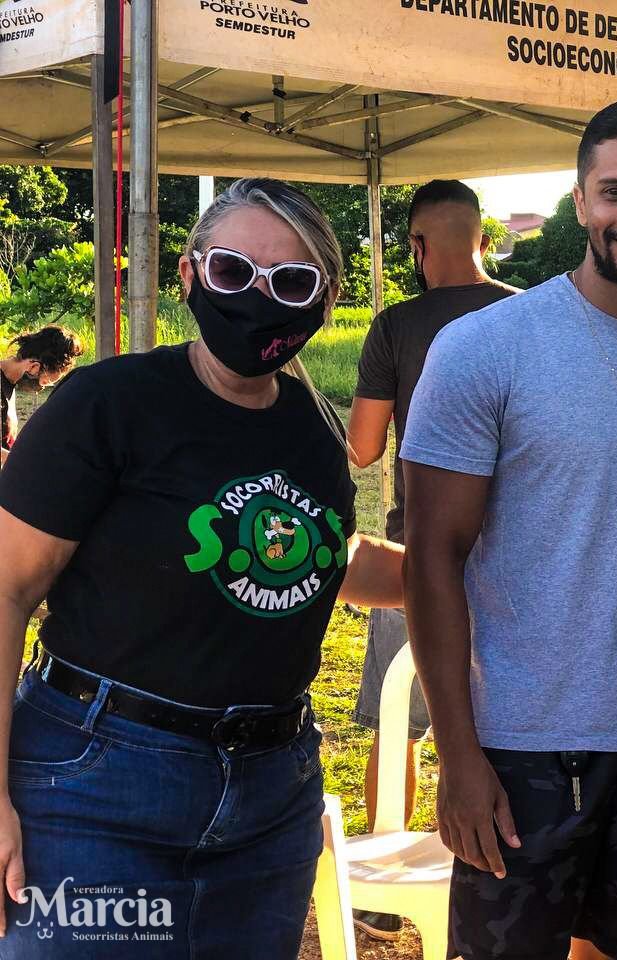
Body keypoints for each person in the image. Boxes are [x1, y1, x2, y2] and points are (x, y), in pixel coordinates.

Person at [0, 178, 405, 956]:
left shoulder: (310, 426)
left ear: (323, 302)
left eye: (291, 282)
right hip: (96, 786)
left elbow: (320, 555)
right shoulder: (110, 403)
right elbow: (8, 584)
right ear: (187, 274)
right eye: (231, 272)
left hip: (271, 795)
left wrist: (455, 575)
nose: (257, 299)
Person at [401, 99, 617, 960]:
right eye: (616, 191)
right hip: (520, 747)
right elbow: (432, 556)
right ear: (580, 201)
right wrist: (458, 755)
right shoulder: (485, 347)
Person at [346, 178, 517, 941]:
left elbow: (363, 445)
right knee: (512, 719)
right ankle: (509, 863)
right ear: (484, 237)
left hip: (419, 549)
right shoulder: (529, 311)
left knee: (403, 714)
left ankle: (387, 883)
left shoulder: (396, 326)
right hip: (522, 551)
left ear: (416, 247)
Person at [0, 324, 83, 466]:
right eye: (46, 382)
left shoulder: (9, 384)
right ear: (34, 367)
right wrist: (26, 463)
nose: (42, 388)